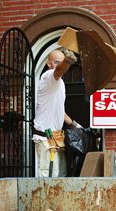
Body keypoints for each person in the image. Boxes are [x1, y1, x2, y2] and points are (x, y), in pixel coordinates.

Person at [32, 48, 82, 177]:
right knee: (47, 177)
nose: (59, 65)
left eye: (62, 61)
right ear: (49, 64)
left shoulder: (60, 83)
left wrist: (75, 125)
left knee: (59, 176)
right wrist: (68, 61)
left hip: (56, 137)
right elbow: (59, 70)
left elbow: (60, 111)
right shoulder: (48, 77)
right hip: (45, 138)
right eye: (56, 62)